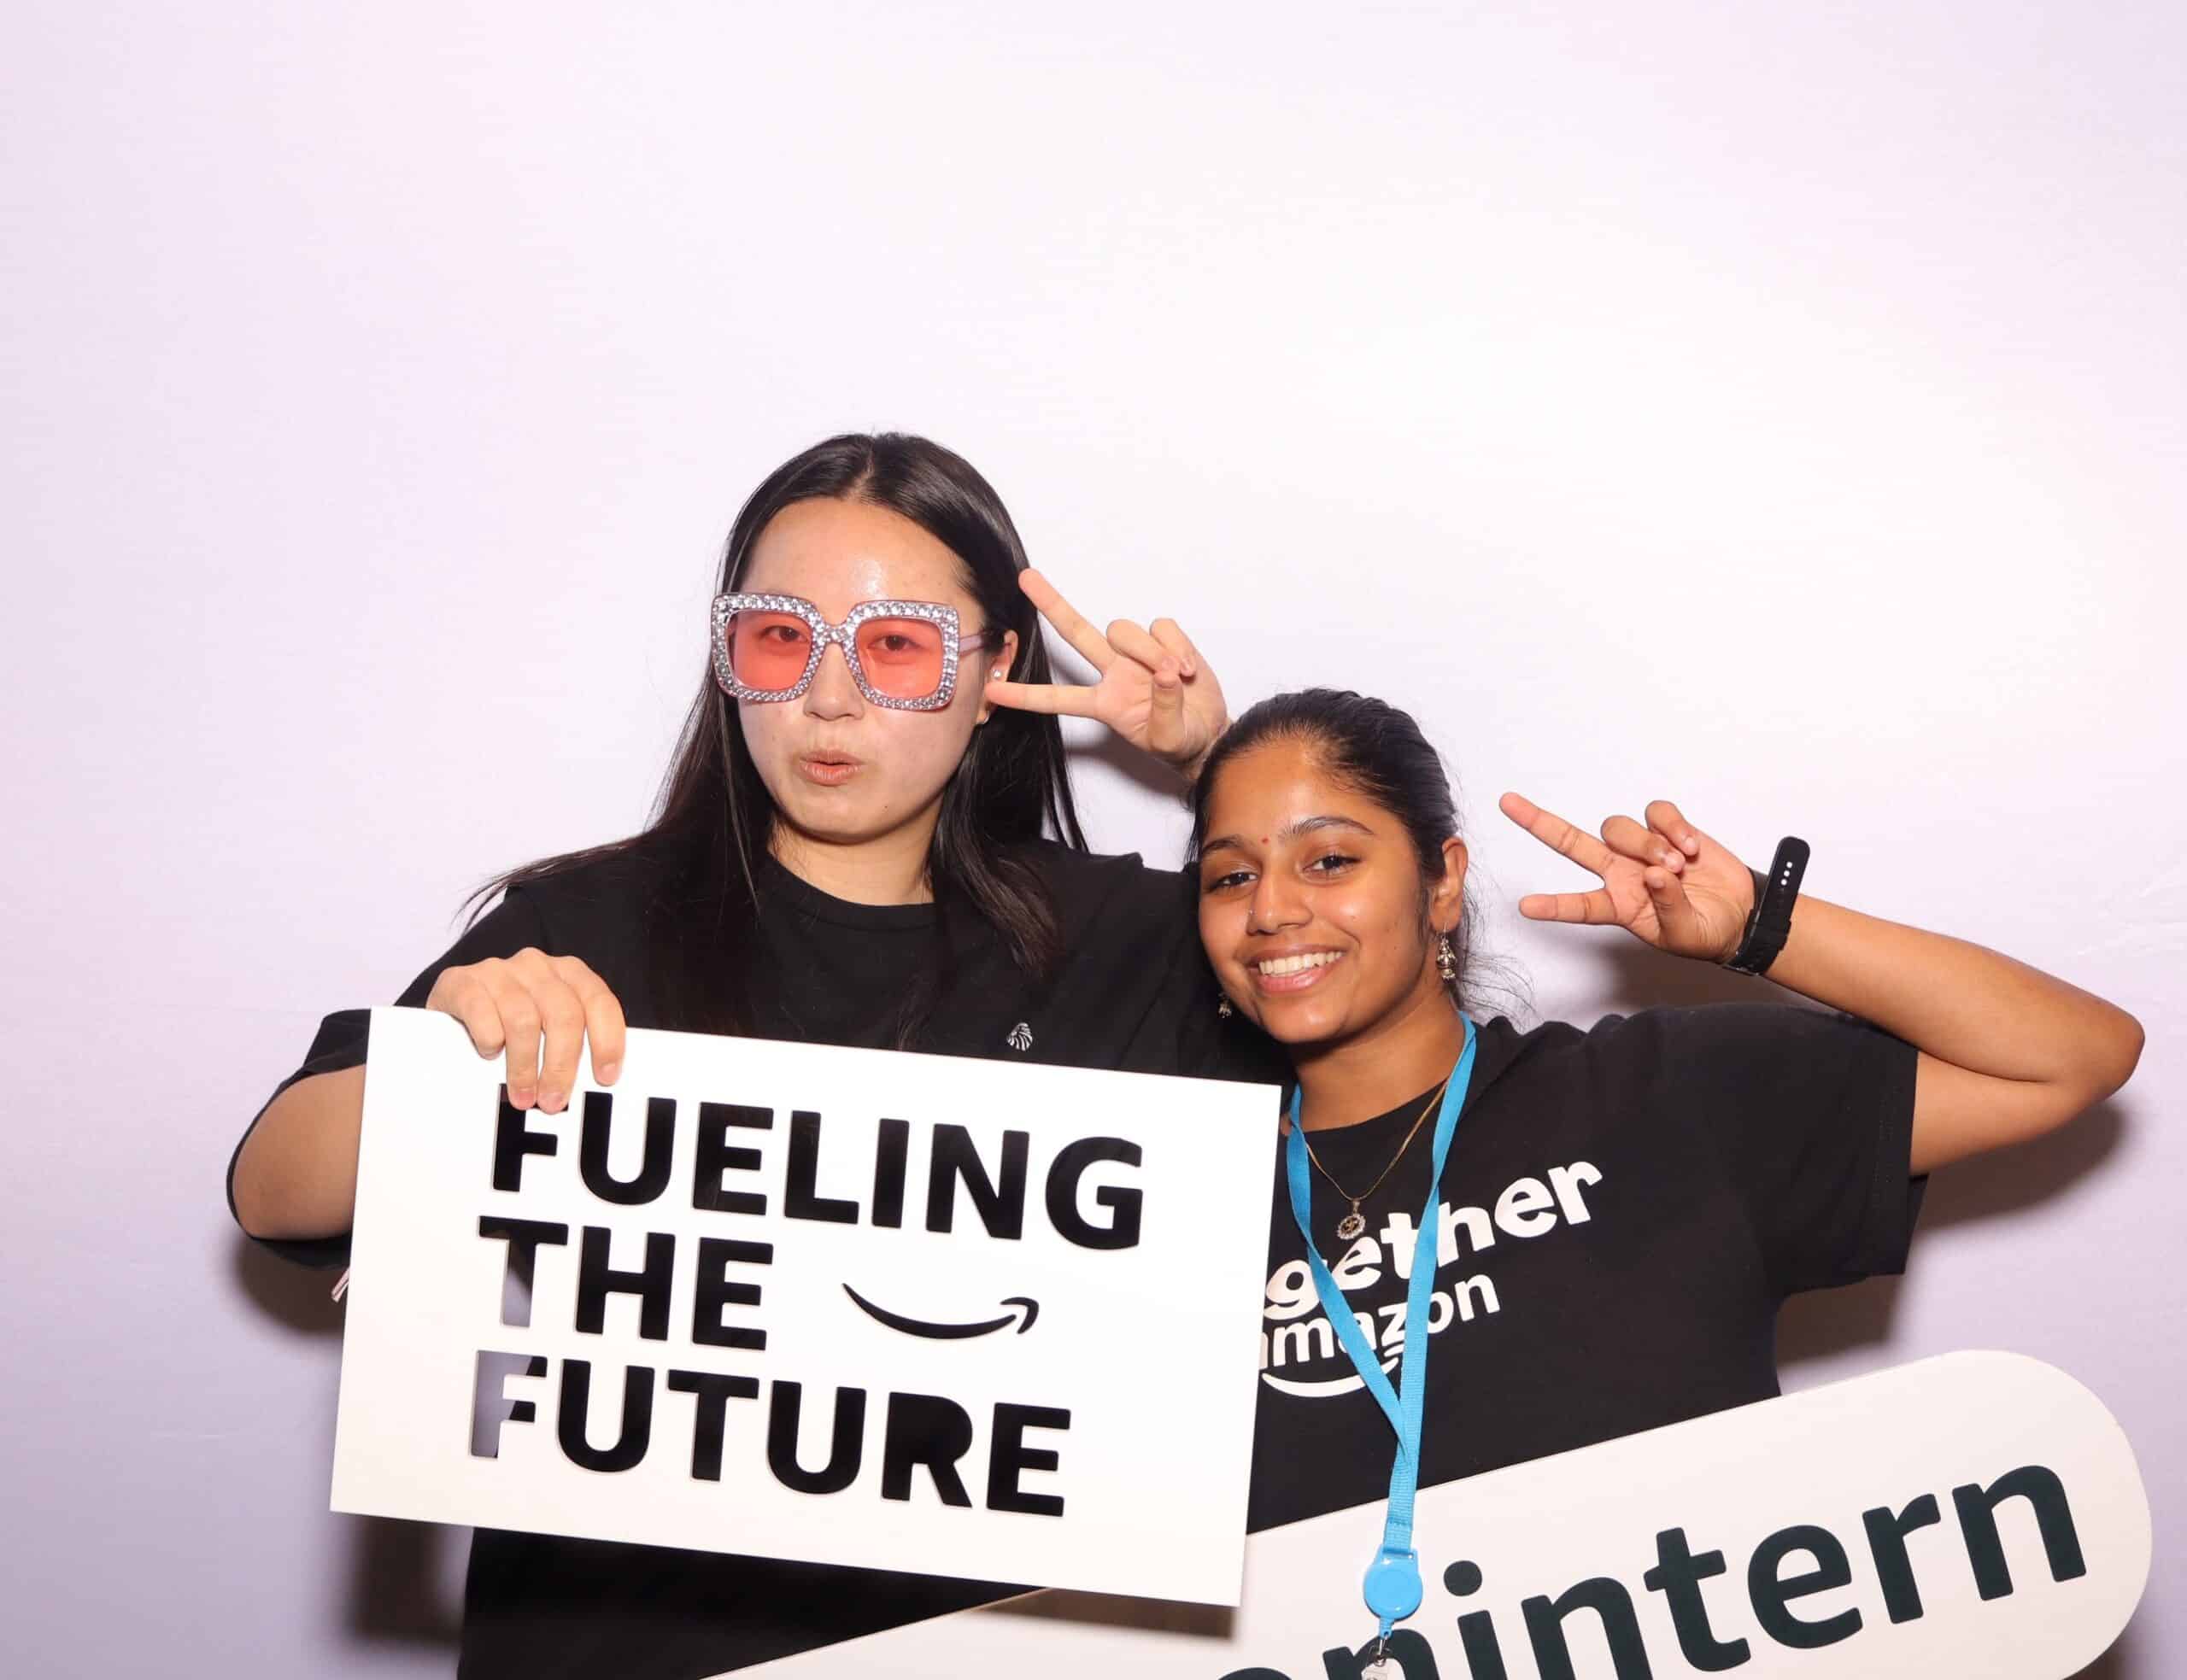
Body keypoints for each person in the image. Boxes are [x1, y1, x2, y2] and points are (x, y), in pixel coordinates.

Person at [227, 431, 1275, 1677]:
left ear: (995, 665)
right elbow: (271, 1187)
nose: (829, 697)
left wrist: (1221, 768)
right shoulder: (590, 925)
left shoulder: (1131, 940)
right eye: (782, 635)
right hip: (618, 1632)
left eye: (894, 645)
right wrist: (458, 1045)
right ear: (733, 659)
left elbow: (1390, 1079)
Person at [1187, 688, 2143, 1537]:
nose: (1270, 907)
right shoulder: (1166, 1213)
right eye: (1230, 876)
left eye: (1328, 860)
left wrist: (1760, 929)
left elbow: (2069, 1057)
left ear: (1441, 883)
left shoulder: (1659, 1096)